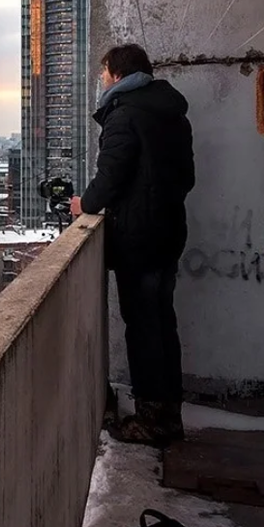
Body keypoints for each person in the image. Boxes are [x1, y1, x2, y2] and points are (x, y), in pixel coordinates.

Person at [70, 43, 195, 447]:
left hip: (139, 239)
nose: (101, 80)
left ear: (117, 74)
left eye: (103, 72)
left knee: (143, 327)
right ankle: (167, 414)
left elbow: (110, 177)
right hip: (169, 231)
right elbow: (186, 177)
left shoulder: (124, 114)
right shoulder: (171, 113)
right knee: (162, 322)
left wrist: (83, 204)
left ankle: (153, 422)